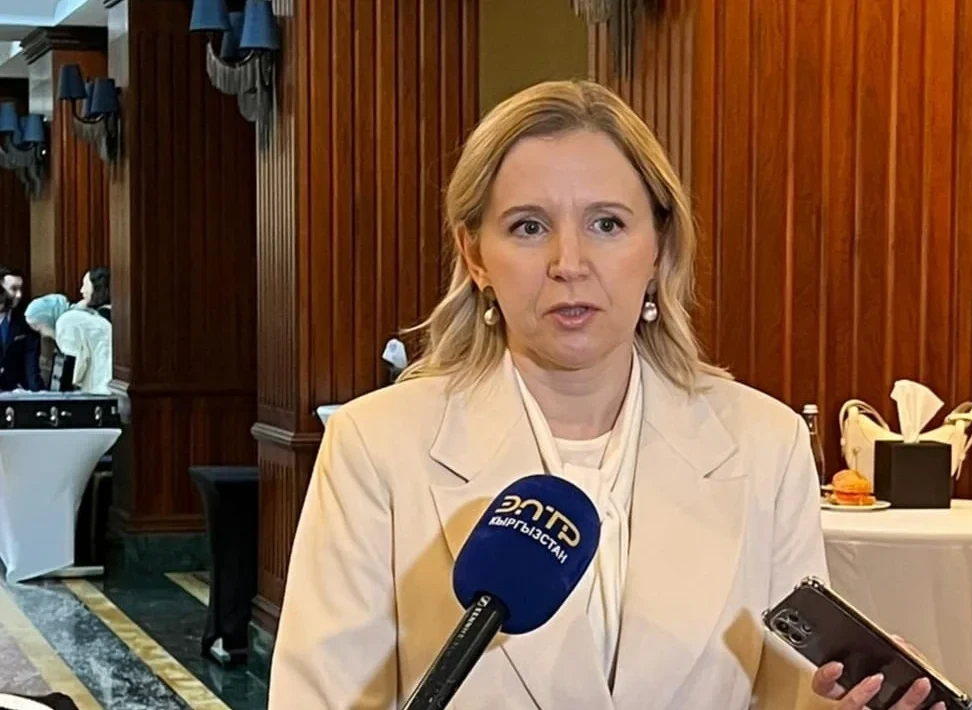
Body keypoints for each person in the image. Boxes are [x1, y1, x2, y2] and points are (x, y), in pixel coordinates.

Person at [269, 80, 936, 710]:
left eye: (607, 224)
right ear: (474, 256)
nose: (569, 263)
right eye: (528, 227)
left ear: (659, 248)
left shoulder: (764, 442)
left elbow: (789, 691)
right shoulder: (377, 445)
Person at [24, 294, 112, 395]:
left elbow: (71, 368)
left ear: (46, 318)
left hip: (100, 382)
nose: (43, 334)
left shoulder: (65, 322)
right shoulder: (74, 316)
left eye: (39, 328)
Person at [0, 267, 42, 392]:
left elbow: (31, 362)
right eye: (13, 289)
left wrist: (36, 394)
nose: (19, 295)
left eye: (20, 289)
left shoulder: (26, 318)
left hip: (17, 393)